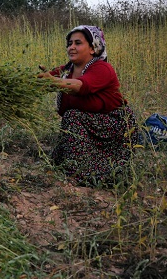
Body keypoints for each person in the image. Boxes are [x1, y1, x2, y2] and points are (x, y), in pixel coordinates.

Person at [37, 25, 139, 186]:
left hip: (114, 126)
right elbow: (41, 80)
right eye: (70, 43)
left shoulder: (102, 68)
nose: (72, 47)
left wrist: (54, 82)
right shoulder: (66, 70)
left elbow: (80, 86)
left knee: (72, 116)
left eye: (78, 43)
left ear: (93, 48)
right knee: (56, 159)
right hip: (88, 123)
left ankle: (85, 174)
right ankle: (76, 166)